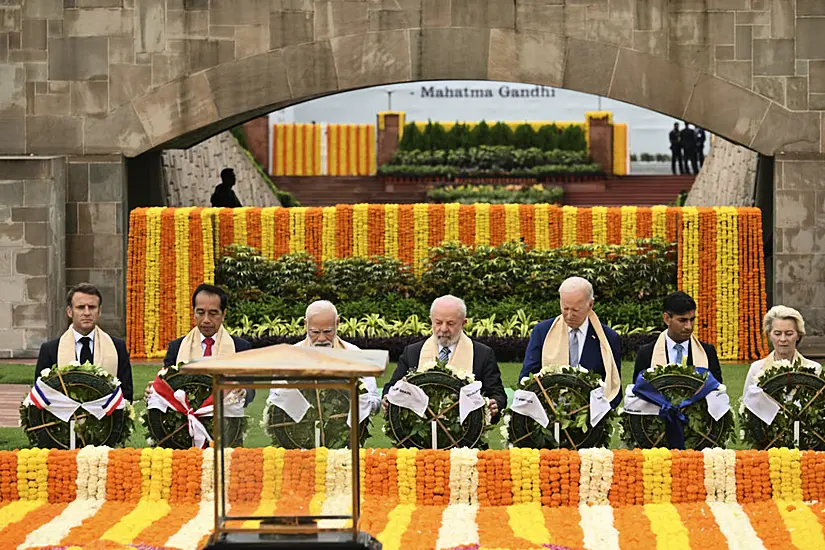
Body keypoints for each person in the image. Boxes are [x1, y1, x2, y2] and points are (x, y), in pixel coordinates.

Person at [382, 295, 507, 422]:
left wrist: (495, 404)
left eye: (450, 323)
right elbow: (393, 387)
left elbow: (497, 393)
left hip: (467, 436)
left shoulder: (482, 354)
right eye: (438, 322)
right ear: (431, 320)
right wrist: (387, 399)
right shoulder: (413, 352)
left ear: (464, 323)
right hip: (418, 437)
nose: (443, 329)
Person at [520, 277, 622, 407]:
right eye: (565, 308)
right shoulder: (542, 332)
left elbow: (614, 386)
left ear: (590, 304)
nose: (569, 315)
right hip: (548, 415)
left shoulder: (608, 338)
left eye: (575, 310)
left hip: (592, 417)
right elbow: (527, 378)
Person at [148, 283, 254, 404]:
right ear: (193, 312)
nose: (206, 320)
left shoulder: (241, 347)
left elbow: (250, 390)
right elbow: (165, 384)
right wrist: (155, 391)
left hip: (226, 418)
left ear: (223, 314)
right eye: (201, 312)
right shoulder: (176, 347)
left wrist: (243, 391)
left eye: (213, 313)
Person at [274, 300, 381, 414]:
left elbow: (375, 402)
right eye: (315, 332)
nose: (321, 338)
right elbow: (276, 400)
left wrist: (352, 397)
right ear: (306, 324)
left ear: (337, 323)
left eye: (327, 332)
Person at [35, 283, 133, 401]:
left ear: (99, 311)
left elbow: (126, 394)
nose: (87, 313)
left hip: (106, 417)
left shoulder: (117, 347)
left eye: (92, 307)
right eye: (80, 307)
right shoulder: (50, 349)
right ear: (70, 312)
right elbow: (41, 394)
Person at [633, 291, 723, 383]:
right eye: (682, 320)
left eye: (692, 320)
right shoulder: (647, 354)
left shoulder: (707, 352)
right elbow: (639, 391)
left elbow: (717, 391)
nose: (689, 326)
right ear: (667, 319)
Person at [744, 306, 821, 391]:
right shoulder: (756, 369)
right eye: (777, 334)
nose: (783, 339)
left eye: (789, 334)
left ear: (798, 335)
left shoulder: (814, 369)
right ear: (769, 335)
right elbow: (748, 402)